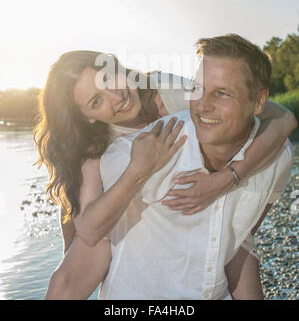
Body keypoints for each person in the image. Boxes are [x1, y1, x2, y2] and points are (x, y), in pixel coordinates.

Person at [34, 40, 296, 299]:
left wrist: (228, 178)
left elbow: (283, 118)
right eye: (96, 102)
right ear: (86, 117)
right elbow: (84, 226)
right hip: (114, 209)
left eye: (109, 80)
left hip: (195, 198)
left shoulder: (164, 90)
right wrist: (138, 169)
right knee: (73, 271)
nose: (117, 97)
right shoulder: (91, 145)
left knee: (238, 244)